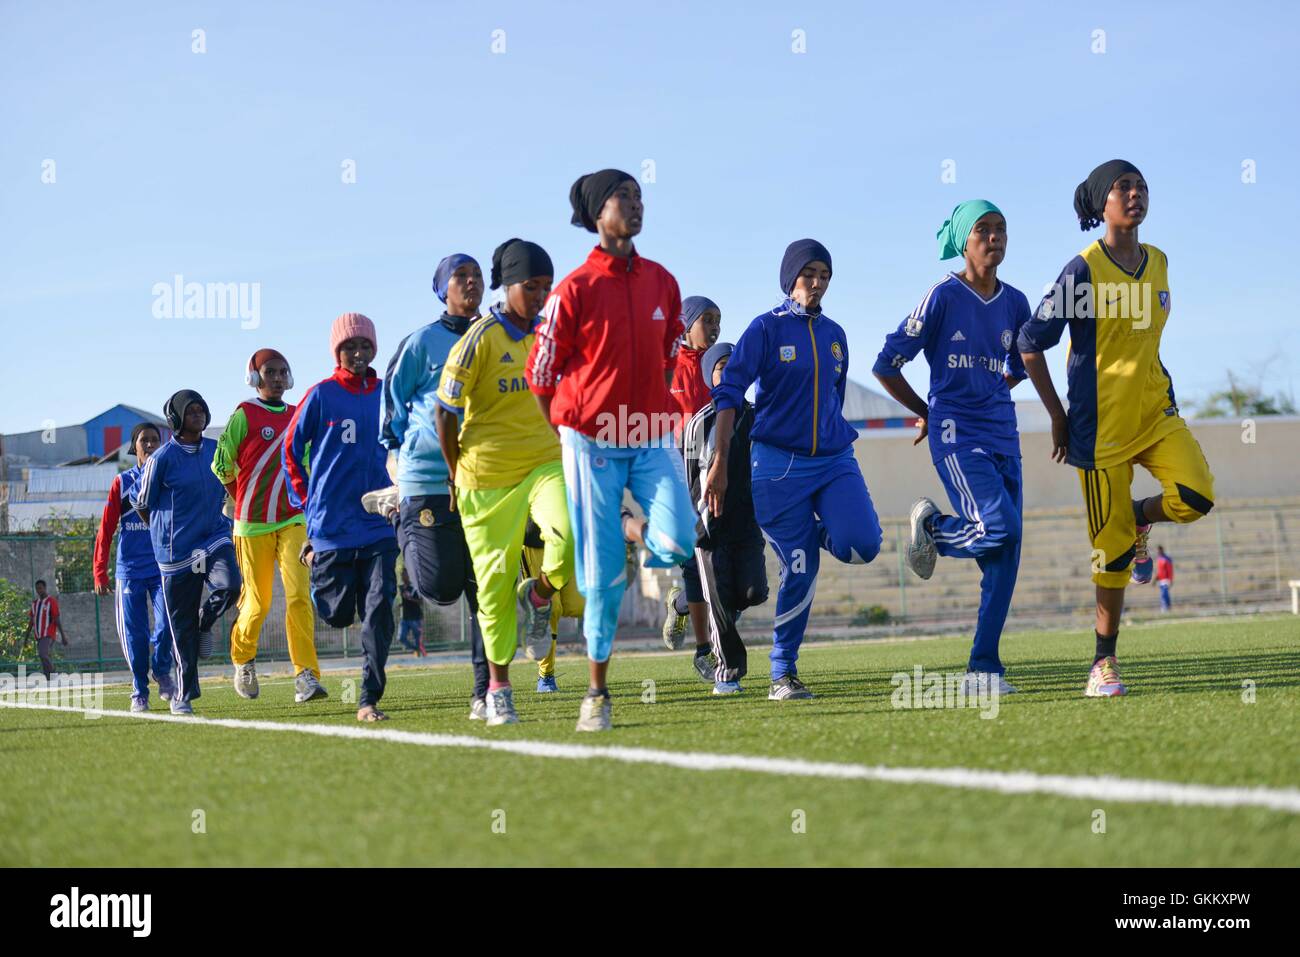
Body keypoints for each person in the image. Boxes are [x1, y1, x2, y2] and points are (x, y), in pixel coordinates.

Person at [1018, 159, 1215, 697]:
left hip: (1155, 414)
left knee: (1196, 496)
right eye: (1122, 187)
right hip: (1098, 429)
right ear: (1102, 202)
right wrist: (1058, 416)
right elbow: (1030, 341)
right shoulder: (1081, 271)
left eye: (1141, 186)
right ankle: (1102, 663)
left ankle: (1134, 516)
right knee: (1111, 556)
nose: (1134, 194)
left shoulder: (1160, 262)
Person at [527, 169, 697, 731]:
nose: (636, 205)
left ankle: (634, 526)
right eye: (624, 197)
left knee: (678, 538)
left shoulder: (663, 282)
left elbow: (672, 348)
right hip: (589, 440)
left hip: (648, 432)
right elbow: (541, 371)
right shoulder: (574, 289)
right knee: (601, 578)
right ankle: (597, 692)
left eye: (640, 196)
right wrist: (569, 427)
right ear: (598, 214)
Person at [708, 239, 883, 700]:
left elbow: (834, 398)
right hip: (777, 465)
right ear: (790, 279)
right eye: (810, 274)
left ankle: (819, 534)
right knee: (800, 567)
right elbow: (729, 391)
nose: (818, 283)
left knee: (863, 545)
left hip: (833, 460)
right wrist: (722, 460)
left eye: (825, 275)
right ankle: (782, 672)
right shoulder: (765, 329)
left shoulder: (837, 335)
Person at [873, 200, 1031, 695]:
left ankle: (983, 671)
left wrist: (997, 386)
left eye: (1001, 229)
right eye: (983, 229)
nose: (994, 237)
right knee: (1000, 526)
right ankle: (934, 529)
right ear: (964, 241)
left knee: (1006, 556)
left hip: (1004, 433)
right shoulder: (943, 295)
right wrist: (928, 409)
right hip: (956, 436)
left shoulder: (1016, 302)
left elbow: (1022, 363)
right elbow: (886, 364)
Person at [436, 238, 573, 726]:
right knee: (492, 588)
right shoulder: (477, 340)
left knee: (568, 533)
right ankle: (498, 688)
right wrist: (455, 475)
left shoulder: (549, 336)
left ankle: (537, 595)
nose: (539, 296)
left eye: (545, 287)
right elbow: (445, 414)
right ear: (507, 284)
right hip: (485, 478)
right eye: (530, 286)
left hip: (544, 464)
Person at [372, 254, 492, 720]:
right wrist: (398, 459)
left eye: (478, 277)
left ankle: (487, 691)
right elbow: (394, 402)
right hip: (426, 478)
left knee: (488, 590)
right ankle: (397, 510)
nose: (472, 283)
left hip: (484, 479)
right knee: (440, 588)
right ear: (442, 288)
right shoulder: (421, 342)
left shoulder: (496, 338)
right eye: (461, 277)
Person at [284, 313, 399, 722]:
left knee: (380, 607)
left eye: (365, 346)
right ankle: (316, 567)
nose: (358, 353)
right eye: (349, 347)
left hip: (379, 525)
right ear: (337, 352)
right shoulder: (321, 396)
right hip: (331, 529)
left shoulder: (389, 395)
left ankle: (368, 698)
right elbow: (289, 453)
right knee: (336, 613)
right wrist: (306, 503)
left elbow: (408, 441)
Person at [212, 349, 326, 704]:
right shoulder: (243, 415)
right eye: (270, 372)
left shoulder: (297, 415)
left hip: (293, 519)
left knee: (298, 597)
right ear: (254, 377)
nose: (277, 378)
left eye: (282, 372)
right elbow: (220, 464)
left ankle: (306, 676)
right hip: (251, 525)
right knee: (258, 604)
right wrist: (239, 496)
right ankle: (243, 659)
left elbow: (305, 464)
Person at [132, 390, 240, 715]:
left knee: (231, 585)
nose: (198, 415)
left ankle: (205, 621)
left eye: (201, 409)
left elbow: (229, 486)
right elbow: (142, 504)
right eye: (190, 411)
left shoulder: (216, 450)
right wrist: (164, 533)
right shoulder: (161, 459)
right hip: (176, 553)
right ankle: (183, 694)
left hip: (214, 538)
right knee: (181, 632)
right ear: (176, 418)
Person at [681, 341, 768, 694]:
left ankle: (694, 605)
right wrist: (696, 523)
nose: (729, 373)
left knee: (751, 592)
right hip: (711, 527)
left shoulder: (759, 415)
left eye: (735, 367)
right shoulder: (698, 424)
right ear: (709, 376)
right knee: (718, 605)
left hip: (748, 521)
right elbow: (688, 479)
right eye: (721, 367)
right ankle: (727, 674)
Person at [93, 422, 175, 711]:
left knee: (168, 625)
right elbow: (106, 528)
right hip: (129, 570)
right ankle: (140, 690)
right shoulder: (123, 482)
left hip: (163, 567)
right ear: (134, 447)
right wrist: (99, 570)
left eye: (155, 439)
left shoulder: (167, 480)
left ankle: (162, 669)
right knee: (136, 635)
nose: (150, 444)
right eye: (145, 440)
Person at [663, 296, 724, 668]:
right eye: (708, 320)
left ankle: (680, 603)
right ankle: (704, 649)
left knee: (719, 564)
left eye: (719, 320)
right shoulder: (667, 366)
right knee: (693, 560)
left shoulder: (720, 365)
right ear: (686, 325)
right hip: (678, 474)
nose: (716, 327)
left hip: (716, 472)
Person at [520, 517, 582, 691]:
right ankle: (546, 676)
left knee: (577, 606)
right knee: (551, 609)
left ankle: (538, 619)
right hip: (534, 540)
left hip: (566, 538)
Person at [26, 580, 68, 680]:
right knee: (44, 656)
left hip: (48, 634)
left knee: (43, 654)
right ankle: (49, 678)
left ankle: (54, 673)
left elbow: (57, 619)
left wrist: (63, 636)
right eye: (37, 588)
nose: (39, 590)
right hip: (39, 635)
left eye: (40, 588)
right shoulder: (35, 604)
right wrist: (26, 638)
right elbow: (31, 621)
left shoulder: (51, 601)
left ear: (45, 588)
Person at [397, 569, 426, 655]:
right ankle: (416, 649)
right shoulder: (401, 588)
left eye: (404, 574)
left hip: (415, 617)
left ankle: (420, 657)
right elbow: (404, 600)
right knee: (401, 638)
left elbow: (421, 602)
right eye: (401, 575)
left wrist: (411, 598)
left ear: (409, 575)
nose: (403, 576)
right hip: (405, 618)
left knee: (417, 639)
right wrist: (402, 604)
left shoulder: (415, 587)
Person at [1155, 545, 1174, 612]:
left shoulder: (1166, 559)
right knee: (1163, 594)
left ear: (1162, 550)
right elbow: (1159, 571)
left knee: (1164, 594)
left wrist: (1170, 580)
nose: (1158, 552)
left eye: (1159, 550)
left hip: (1166, 579)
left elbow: (1170, 570)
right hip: (1161, 580)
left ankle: (1166, 608)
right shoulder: (1159, 559)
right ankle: (1166, 607)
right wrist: (1155, 579)